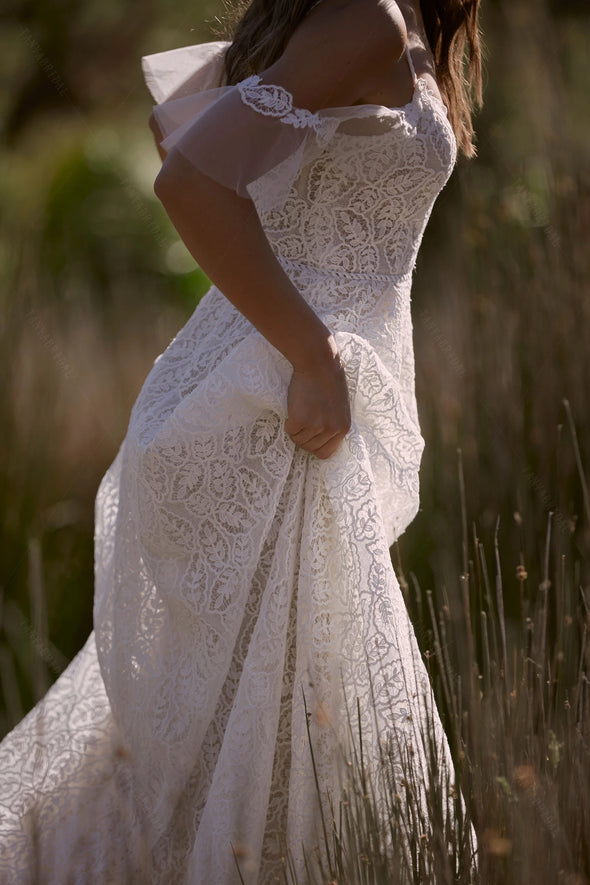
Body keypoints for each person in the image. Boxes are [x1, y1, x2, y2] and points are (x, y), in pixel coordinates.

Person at [0, 0, 482, 881]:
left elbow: (171, 124)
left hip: (266, 398)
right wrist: (312, 347)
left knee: (253, 746)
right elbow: (187, 177)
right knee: (274, 752)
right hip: (273, 416)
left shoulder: (389, 20)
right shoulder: (367, 20)